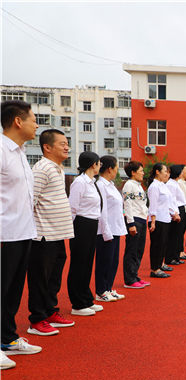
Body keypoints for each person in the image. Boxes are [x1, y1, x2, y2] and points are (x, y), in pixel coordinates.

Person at [1, 100, 42, 368]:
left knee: (13, 290)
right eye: (33, 119)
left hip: (23, 231)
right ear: (18, 121)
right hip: (5, 231)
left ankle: (7, 338)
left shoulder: (21, 153)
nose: (36, 124)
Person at [26, 129, 75, 337]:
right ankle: (36, 319)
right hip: (43, 235)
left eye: (67, 143)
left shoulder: (57, 168)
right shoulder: (42, 169)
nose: (66, 147)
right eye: (62, 144)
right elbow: (30, 201)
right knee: (40, 278)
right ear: (47, 147)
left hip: (57, 234)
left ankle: (50, 311)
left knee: (53, 278)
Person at [67, 151, 104, 316]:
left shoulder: (92, 182)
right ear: (92, 164)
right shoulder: (80, 182)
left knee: (88, 262)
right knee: (79, 264)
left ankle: (86, 298)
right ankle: (77, 303)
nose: (100, 166)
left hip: (91, 224)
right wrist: (71, 230)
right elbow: (72, 208)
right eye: (98, 163)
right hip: (80, 224)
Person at [94, 155, 127, 302]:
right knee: (104, 261)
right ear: (109, 169)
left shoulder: (111, 184)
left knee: (113, 261)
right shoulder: (100, 185)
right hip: (105, 230)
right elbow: (102, 210)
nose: (117, 171)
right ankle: (101, 291)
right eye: (116, 168)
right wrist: (106, 230)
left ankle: (108, 288)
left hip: (116, 228)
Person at [147, 163, 179, 278]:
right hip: (158, 219)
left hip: (165, 218)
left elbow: (168, 202)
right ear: (157, 172)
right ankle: (154, 269)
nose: (167, 173)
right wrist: (153, 221)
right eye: (165, 171)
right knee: (157, 245)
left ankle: (160, 264)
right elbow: (153, 205)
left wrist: (173, 213)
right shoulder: (154, 186)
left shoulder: (162, 185)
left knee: (163, 244)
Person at [122, 161, 150, 288]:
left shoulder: (138, 186)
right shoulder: (129, 185)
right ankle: (129, 279)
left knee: (139, 250)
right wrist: (131, 223)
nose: (143, 173)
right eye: (141, 171)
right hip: (135, 220)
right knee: (132, 251)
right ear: (133, 172)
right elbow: (127, 204)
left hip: (142, 219)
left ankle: (135, 275)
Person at [165, 164, 186, 265]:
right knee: (174, 235)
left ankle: (176, 255)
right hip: (176, 209)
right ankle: (171, 257)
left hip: (180, 208)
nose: (183, 173)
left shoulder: (175, 183)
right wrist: (175, 213)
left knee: (178, 234)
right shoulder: (170, 184)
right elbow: (171, 200)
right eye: (182, 171)